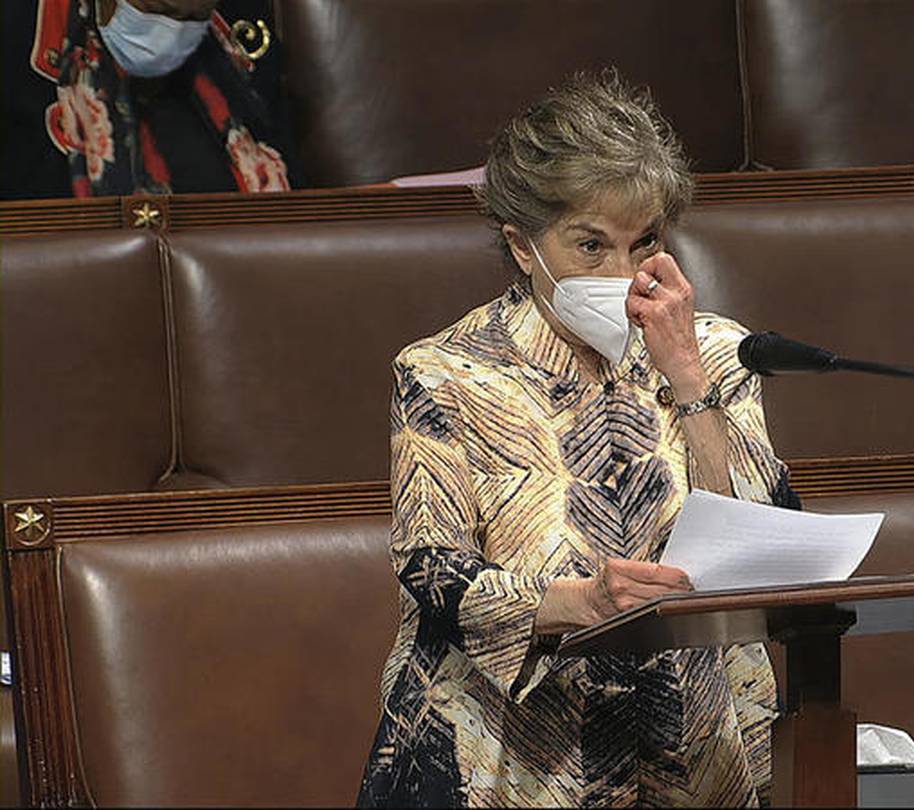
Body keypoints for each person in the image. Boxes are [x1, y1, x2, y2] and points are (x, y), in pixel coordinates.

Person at [356, 72, 799, 808]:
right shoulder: (444, 373)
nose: (622, 275)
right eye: (590, 245)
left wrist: (688, 378)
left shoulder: (719, 353)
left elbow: (769, 543)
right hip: (508, 763)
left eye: (644, 242)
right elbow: (433, 575)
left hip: (695, 753)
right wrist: (578, 602)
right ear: (523, 247)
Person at [2, 0, 295, 199]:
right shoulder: (19, 34)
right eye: (159, 7)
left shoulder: (243, 34)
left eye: (192, 13)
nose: (176, 27)